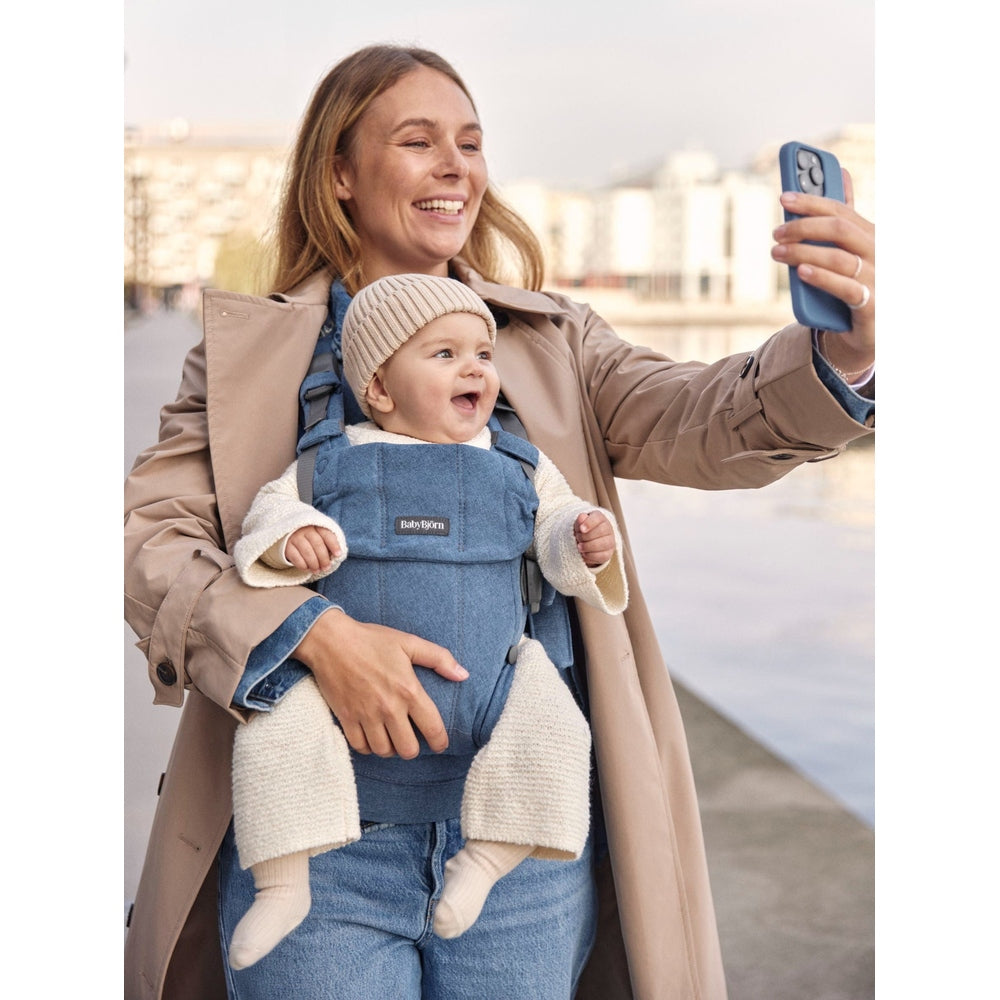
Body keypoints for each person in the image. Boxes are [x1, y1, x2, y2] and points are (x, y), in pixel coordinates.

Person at [123, 42, 874, 1000]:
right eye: (419, 140)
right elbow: (153, 543)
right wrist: (313, 637)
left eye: (471, 143)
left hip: (522, 849)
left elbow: (704, 420)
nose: (456, 166)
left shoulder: (554, 342)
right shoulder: (245, 359)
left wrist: (841, 355)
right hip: (313, 848)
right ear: (339, 173)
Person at [225, 272, 628, 969]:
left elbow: (556, 528)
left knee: (560, 729)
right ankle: (283, 882)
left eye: (481, 353)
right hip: (343, 723)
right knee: (276, 728)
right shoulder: (329, 460)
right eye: (443, 355)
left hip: (495, 697)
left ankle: (490, 858)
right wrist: (289, 539)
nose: (473, 367)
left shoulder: (519, 464)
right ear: (378, 388)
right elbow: (268, 515)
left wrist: (583, 538)